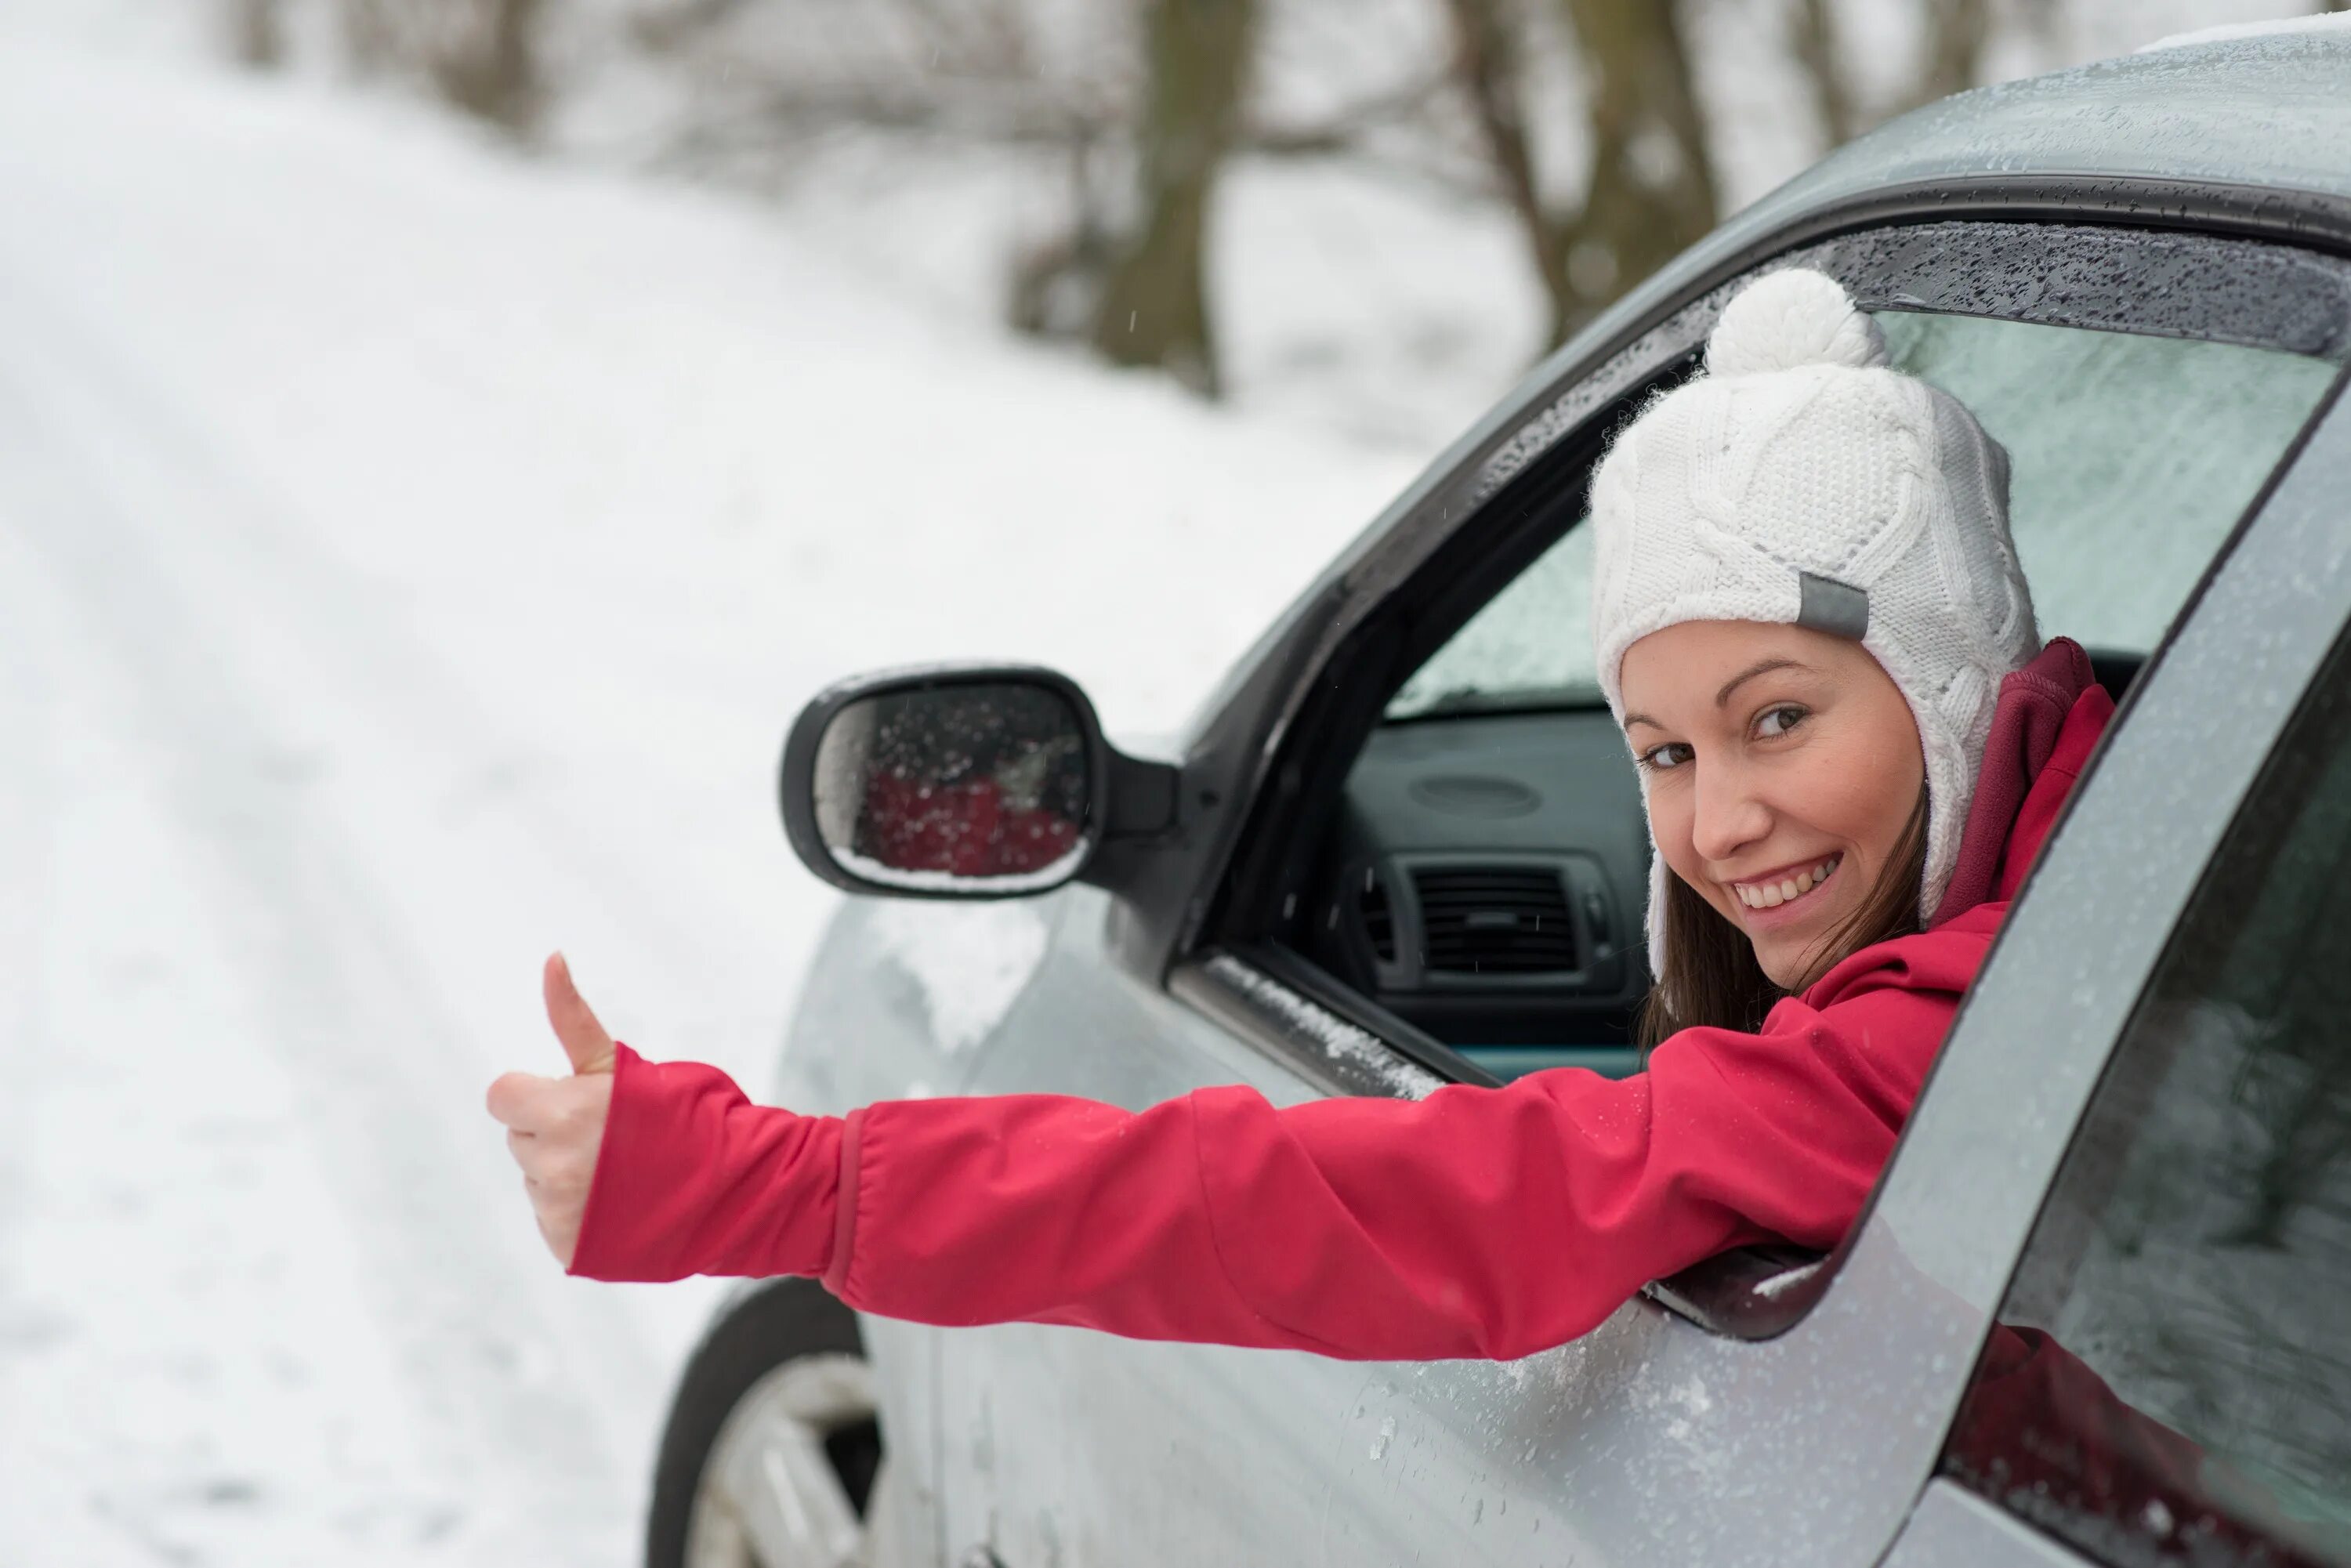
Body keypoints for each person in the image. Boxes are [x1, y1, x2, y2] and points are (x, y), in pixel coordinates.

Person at [484, 268, 2114, 1362]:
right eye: (1666, 751)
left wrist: (789, 1188)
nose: (1725, 819)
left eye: (1778, 716)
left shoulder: (1940, 1045)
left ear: (1952, 679)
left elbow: (1383, 1202)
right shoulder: (2154, 854)